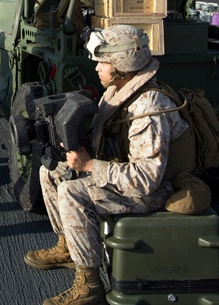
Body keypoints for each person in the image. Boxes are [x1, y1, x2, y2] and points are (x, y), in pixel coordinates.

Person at [23, 25, 192, 305]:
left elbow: (147, 179)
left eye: (103, 62)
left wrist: (90, 167)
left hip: (158, 190)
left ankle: (89, 286)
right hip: (126, 172)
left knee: (73, 193)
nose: (98, 68)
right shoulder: (119, 90)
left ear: (122, 63)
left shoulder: (148, 108)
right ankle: (69, 246)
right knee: (51, 171)